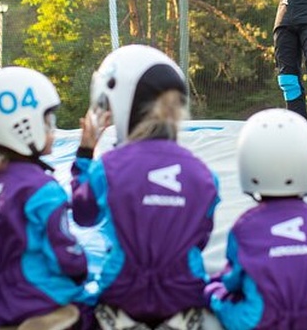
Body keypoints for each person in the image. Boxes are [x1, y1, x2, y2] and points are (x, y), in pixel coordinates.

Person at [71, 44, 222, 330]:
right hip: (185, 296)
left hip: (122, 295)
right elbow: (200, 238)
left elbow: (82, 214)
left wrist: (84, 153)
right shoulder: (204, 175)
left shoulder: (109, 166)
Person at [0, 66, 91, 330]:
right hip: (42, 309)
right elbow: (65, 255)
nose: (52, 131)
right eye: (48, 122)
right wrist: (82, 269)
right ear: (23, 125)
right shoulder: (42, 189)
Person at [205, 108, 307, 330]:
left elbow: (233, 281)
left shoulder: (245, 226)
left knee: (216, 293)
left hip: (257, 322)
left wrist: (215, 288)